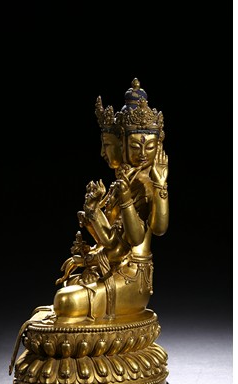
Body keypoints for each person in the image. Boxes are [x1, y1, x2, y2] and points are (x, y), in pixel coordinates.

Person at [52, 79, 169, 323]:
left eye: (148, 147)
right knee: (68, 289)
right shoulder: (123, 183)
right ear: (124, 144)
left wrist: (159, 187)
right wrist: (94, 211)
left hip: (132, 279)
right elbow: (112, 241)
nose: (141, 154)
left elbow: (148, 233)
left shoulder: (146, 186)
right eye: (135, 146)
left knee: (65, 302)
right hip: (114, 269)